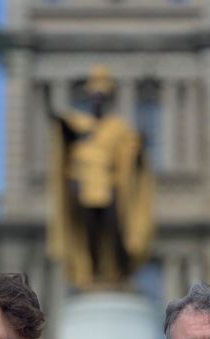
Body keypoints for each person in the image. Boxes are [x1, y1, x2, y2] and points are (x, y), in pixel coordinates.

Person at [47, 64, 154, 290]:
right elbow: (61, 130)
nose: (98, 100)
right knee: (89, 232)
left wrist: (139, 148)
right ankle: (92, 275)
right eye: (94, 96)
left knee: (117, 228)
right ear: (88, 98)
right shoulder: (78, 124)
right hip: (83, 186)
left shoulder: (117, 128)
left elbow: (131, 151)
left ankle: (119, 273)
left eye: (102, 96)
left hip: (109, 186)